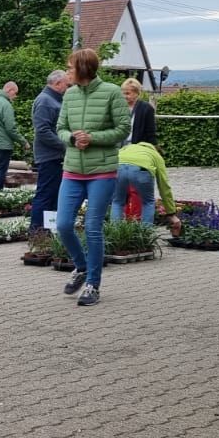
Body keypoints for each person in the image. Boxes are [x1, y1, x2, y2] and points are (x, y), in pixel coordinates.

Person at [54, 48, 131, 308]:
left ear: (83, 69)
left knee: (92, 227)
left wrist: (93, 138)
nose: (67, 72)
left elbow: (123, 129)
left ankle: (92, 285)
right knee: (63, 224)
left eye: (70, 68)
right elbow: (60, 128)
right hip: (72, 170)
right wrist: (72, 138)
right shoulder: (70, 94)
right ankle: (82, 266)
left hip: (102, 171)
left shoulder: (111, 92)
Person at [30, 70, 69, 232]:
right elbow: (42, 130)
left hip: (54, 155)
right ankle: (37, 231)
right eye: (66, 84)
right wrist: (65, 145)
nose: (67, 87)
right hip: (49, 156)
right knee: (45, 194)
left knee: (53, 194)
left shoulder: (52, 99)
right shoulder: (45, 101)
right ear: (57, 84)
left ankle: (48, 230)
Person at [112, 141, 180, 228]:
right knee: (148, 202)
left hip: (118, 168)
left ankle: (115, 232)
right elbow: (164, 185)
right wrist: (171, 212)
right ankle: (145, 232)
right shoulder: (156, 155)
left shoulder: (127, 147)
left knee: (117, 202)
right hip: (142, 171)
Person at [0, 81, 28, 191]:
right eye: (15, 93)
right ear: (9, 90)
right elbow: (10, 128)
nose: (15, 96)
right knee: (1, 169)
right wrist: (23, 142)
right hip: (3, 143)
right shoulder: (6, 104)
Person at [122, 78, 158, 147]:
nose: (124, 96)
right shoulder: (118, 107)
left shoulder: (146, 108)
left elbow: (151, 133)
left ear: (137, 93)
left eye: (127, 93)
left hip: (137, 148)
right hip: (118, 148)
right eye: (123, 93)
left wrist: (152, 148)